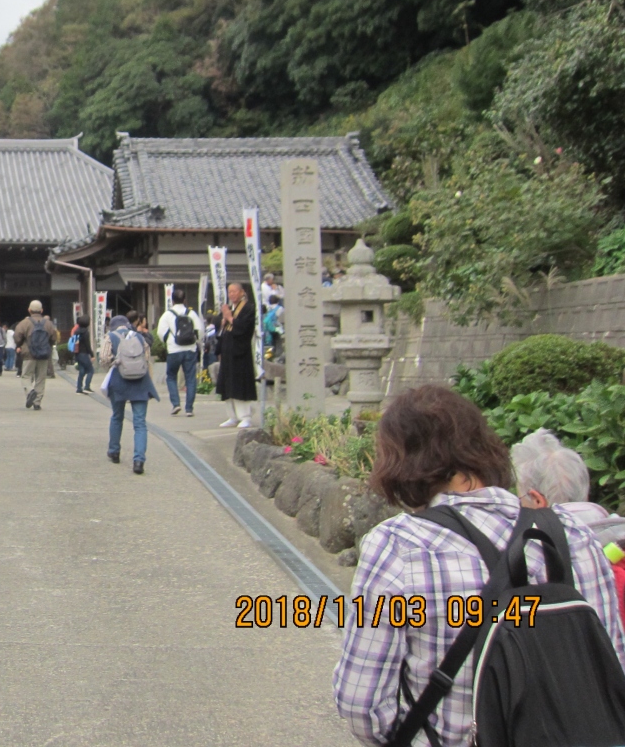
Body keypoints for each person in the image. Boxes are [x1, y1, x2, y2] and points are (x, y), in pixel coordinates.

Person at [333, 386, 625, 747]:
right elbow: (611, 666)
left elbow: (362, 703)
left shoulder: (399, 545)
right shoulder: (573, 536)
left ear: (401, 464)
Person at [104, 311, 160, 474]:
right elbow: (146, 358)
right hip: (140, 381)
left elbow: (104, 359)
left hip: (119, 381)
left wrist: (115, 365)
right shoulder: (140, 337)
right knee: (140, 422)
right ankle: (139, 461)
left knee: (117, 416)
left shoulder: (110, 337)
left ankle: (114, 451)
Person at [215, 282, 257, 427]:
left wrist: (230, 318)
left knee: (240, 385)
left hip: (240, 353)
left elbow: (244, 329)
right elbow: (223, 331)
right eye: (229, 292)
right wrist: (223, 322)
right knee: (227, 385)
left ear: (242, 292)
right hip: (228, 352)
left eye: (234, 291)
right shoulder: (231, 308)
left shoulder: (248, 308)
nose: (231, 294)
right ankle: (232, 416)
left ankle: (245, 417)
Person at [156, 289, 203, 417]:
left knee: (171, 376)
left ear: (172, 300)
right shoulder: (191, 313)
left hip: (174, 350)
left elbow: (160, 333)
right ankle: (189, 409)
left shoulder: (167, 315)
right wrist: (194, 341)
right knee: (190, 378)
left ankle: (176, 403)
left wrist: (169, 341)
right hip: (190, 349)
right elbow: (200, 331)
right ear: (185, 300)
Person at [13, 300, 59, 411]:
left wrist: (21, 345)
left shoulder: (24, 323)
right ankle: (37, 402)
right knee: (41, 378)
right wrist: (47, 346)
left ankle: (30, 391)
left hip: (29, 354)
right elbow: (54, 338)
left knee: (26, 376)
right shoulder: (48, 324)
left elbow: (17, 337)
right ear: (41, 310)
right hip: (44, 354)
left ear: (29, 310)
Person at [71, 314, 95, 394]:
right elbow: (87, 345)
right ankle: (87, 387)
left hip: (77, 353)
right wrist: (92, 355)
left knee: (82, 371)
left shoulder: (77, 331)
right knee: (91, 370)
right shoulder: (85, 332)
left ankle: (79, 388)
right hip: (84, 353)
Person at [262, 294, 283, 360]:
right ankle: (269, 359)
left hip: (263, 335)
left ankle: (266, 359)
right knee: (271, 349)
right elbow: (271, 328)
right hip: (270, 335)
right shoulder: (280, 309)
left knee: (266, 349)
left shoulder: (267, 310)